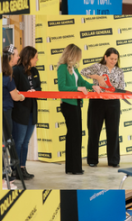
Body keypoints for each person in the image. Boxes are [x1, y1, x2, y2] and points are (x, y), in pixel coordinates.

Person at [57, 44, 101, 175]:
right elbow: (62, 87)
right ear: (72, 54)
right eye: (78, 56)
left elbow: (82, 83)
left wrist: (93, 86)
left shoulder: (74, 69)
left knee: (74, 135)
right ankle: (74, 167)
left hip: (76, 104)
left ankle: (72, 167)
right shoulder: (62, 68)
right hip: (68, 105)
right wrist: (77, 89)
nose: (79, 58)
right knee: (74, 135)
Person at [80, 48, 124, 168]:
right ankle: (92, 159)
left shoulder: (119, 71)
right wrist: (98, 78)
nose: (113, 61)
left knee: (113, 132)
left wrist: (112, 92)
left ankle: (114, 160)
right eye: (111, 59)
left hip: (113, 103)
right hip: (97, 103)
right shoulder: (97, 67)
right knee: (94, 131)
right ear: (105, 57)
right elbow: (83, 72)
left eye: (115, 59)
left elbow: (122, 87)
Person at [12, 46, 41, 180]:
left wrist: (34, 91)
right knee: (18, 142)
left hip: (31, 111)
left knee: (25, 142)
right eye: (35, 57)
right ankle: (15, 169)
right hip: (20, 111)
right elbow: (14, 90)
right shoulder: (16, 70)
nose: (37, 59)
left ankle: (22, 168)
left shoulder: (35, 71)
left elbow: (39, 88)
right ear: (29, 57)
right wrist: (25, 93)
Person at [2, 45, 24, 137]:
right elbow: (15, 97)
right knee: (7, 139)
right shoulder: (8, 77)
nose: (19, 57)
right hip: (6, 112)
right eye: (17, 55)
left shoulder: (1, 73)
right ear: (11, 57)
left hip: (1, 110)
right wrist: (22, 97)